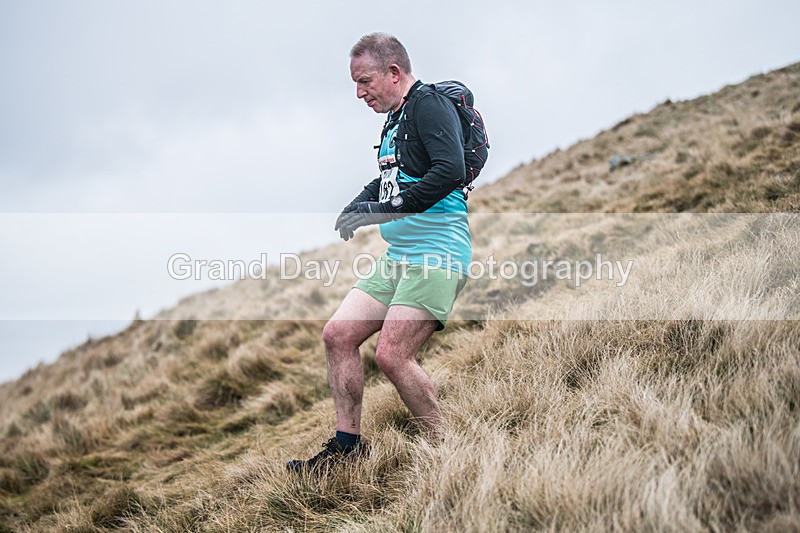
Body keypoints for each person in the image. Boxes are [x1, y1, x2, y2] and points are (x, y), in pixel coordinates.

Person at [287, 32, 472, 474]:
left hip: (438, 250)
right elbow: (392, 180)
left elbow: (451, 169)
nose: (359, 92)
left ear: (394, 72)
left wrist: (384, 209)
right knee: (338, 335)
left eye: (364, 81)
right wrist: (359, 205)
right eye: (355, 84)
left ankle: (450, 452)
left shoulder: (427, 104)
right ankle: (347, 447)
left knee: (392, 355)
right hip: (401, 255)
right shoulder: (394, 120)